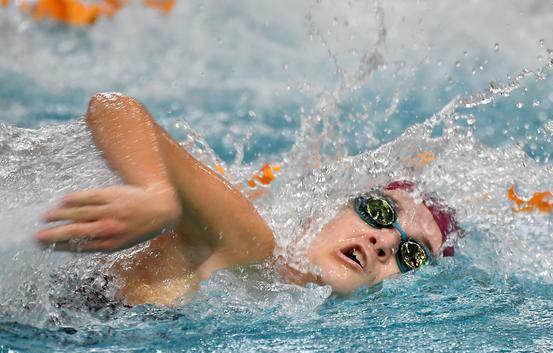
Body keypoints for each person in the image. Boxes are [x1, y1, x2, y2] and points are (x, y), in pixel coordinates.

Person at [34, 93, 459, 306]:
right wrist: (157, 194)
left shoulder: (265, 301)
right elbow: (114, 107)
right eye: (378, 212)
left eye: (412, 254)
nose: (384, 242)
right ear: (327, 209)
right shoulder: (247, 243)